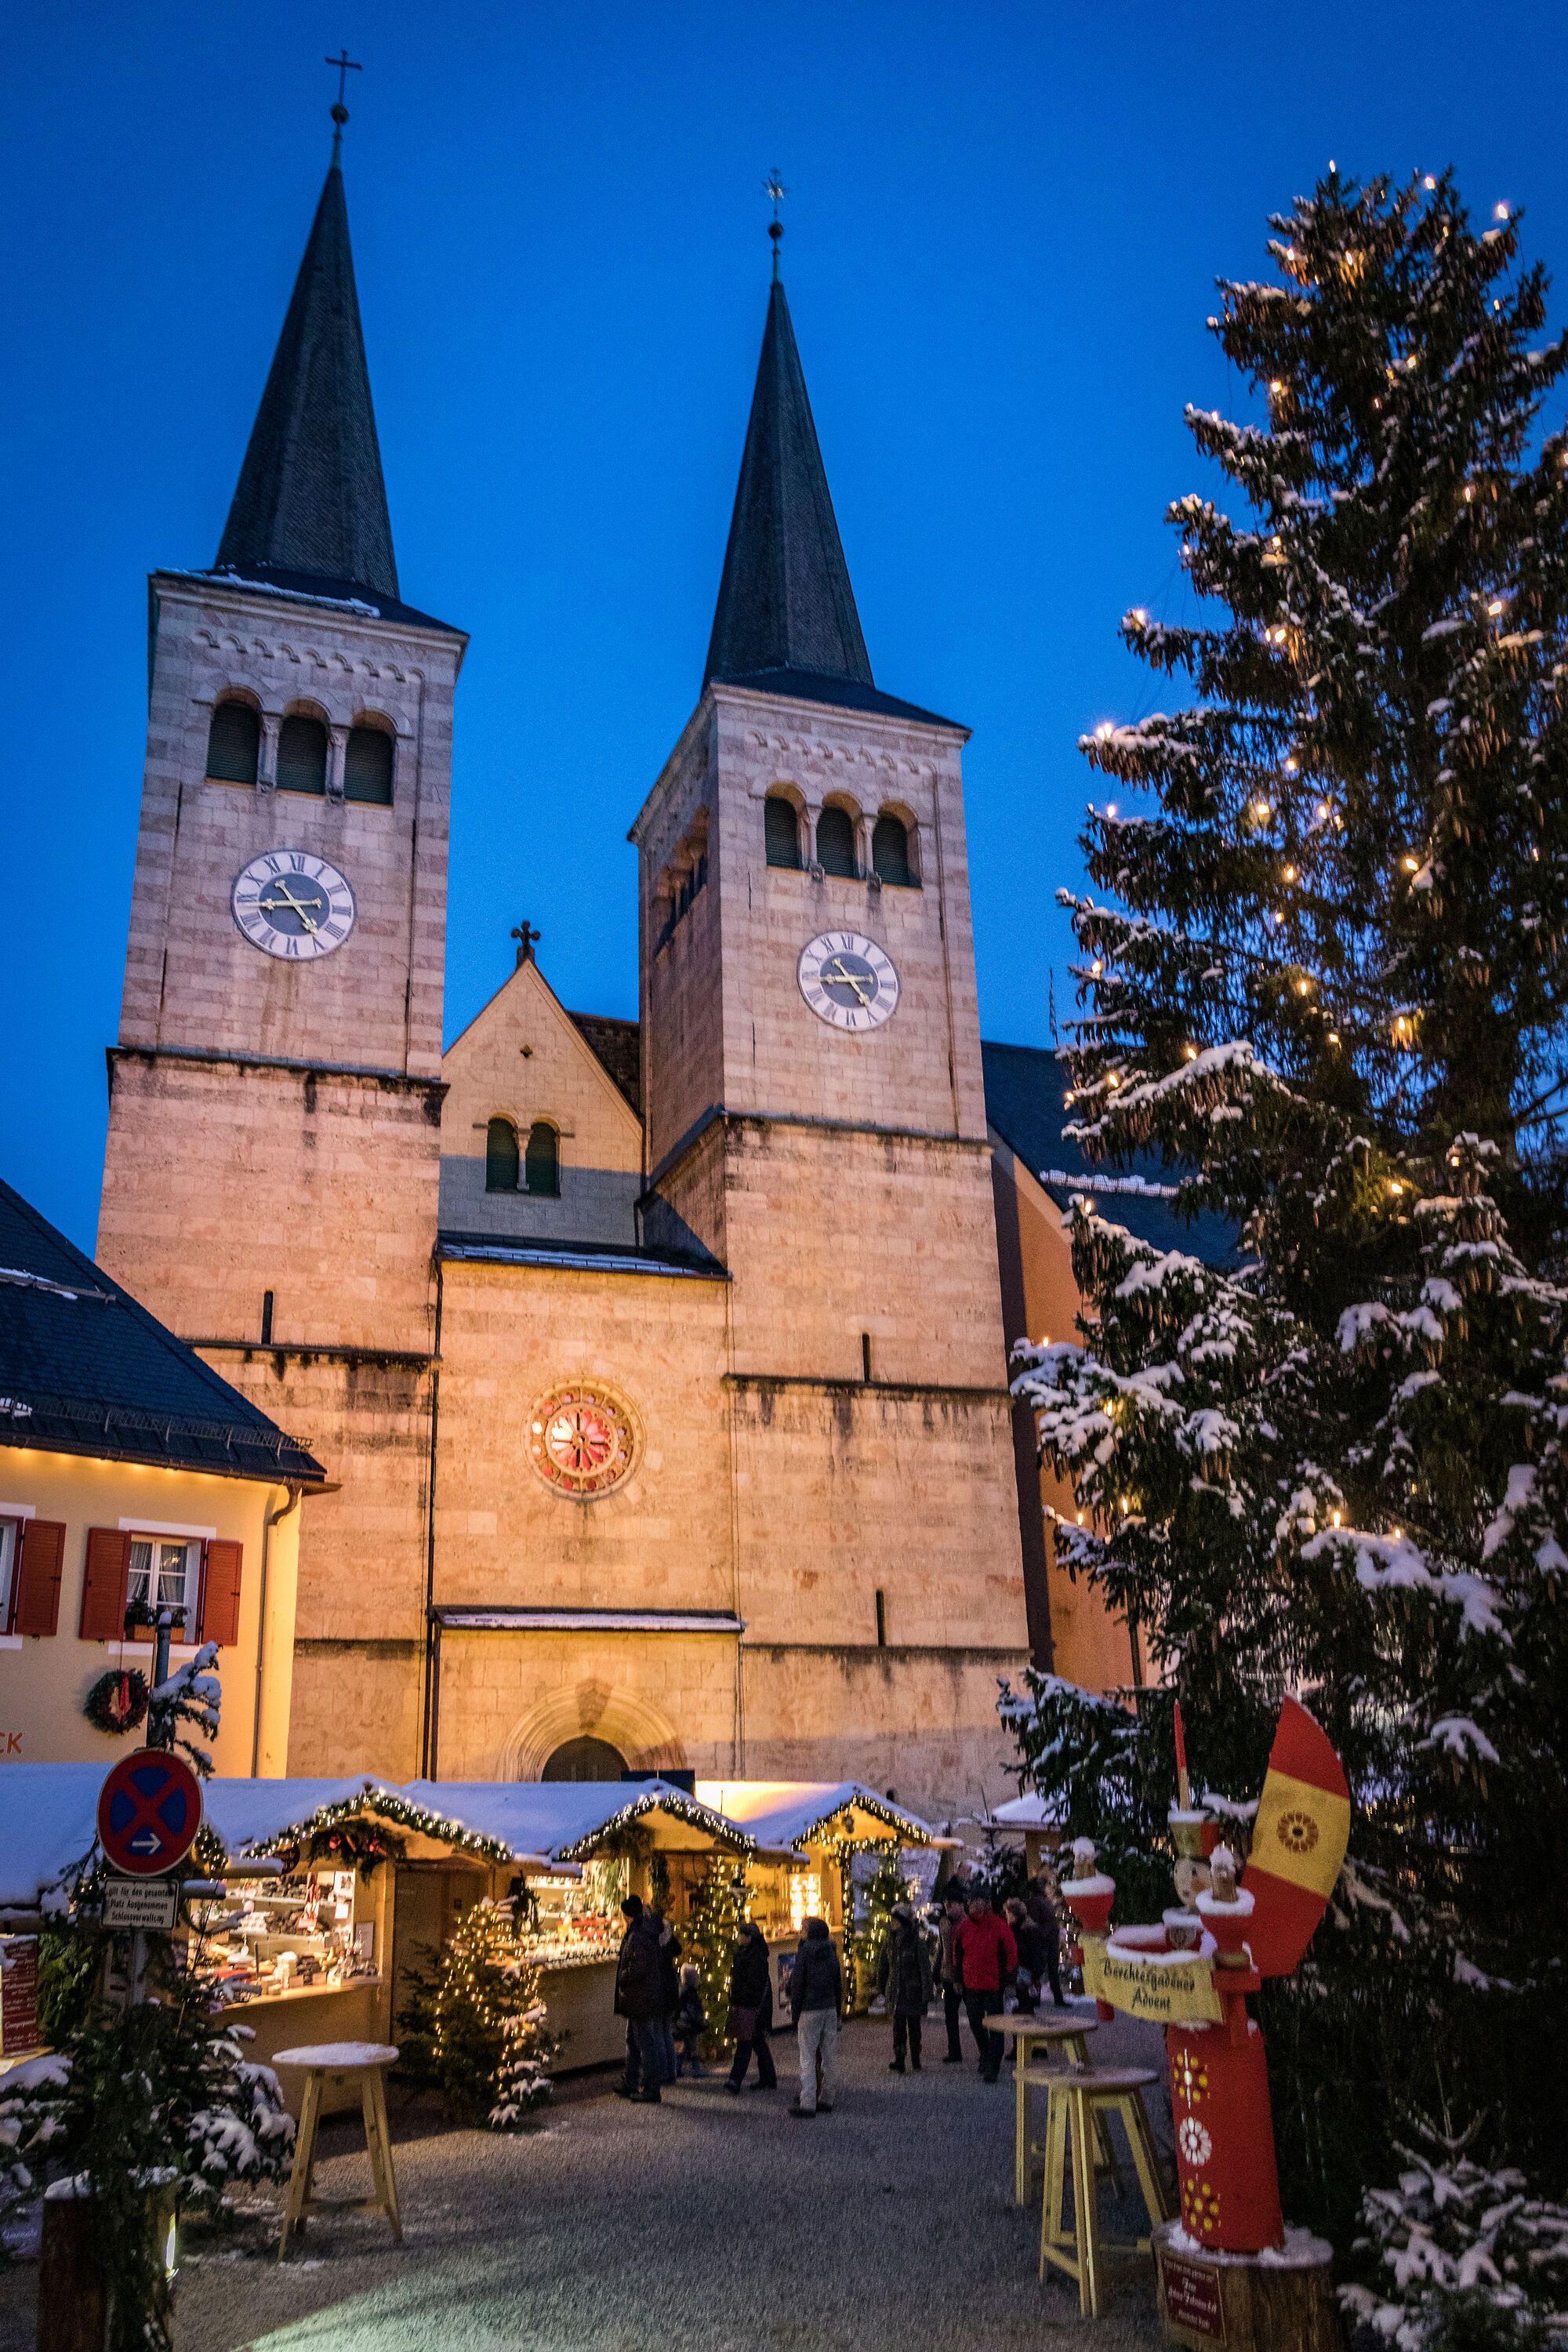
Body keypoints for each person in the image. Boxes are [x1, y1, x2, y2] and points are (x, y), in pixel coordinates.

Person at [953, 1889, 1016, 2082]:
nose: (972, 1904)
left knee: (995, 2026)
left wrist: (1007, 1978)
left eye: (976, 1901)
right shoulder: (964, 1927)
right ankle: (986, 2054)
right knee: (975, 2022)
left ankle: (993, 2066)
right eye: (971, 1901)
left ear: (987, 1903)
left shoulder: (999, 1925)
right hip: (971, 1984)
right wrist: (958, 1978)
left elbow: (1011, 1952)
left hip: (993, 1984)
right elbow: (958, 1953)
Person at [612, 1894, 667, 2103]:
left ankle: (651, 2088)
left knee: (644, 2043)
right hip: (642, 1997)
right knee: (635, 2041)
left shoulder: (638, 1936)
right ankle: (632, 2081)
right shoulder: (643, 1932)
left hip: (641, 1997)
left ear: (628, 1915)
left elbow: (638, 1967)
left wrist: (623, 1976)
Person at [788, 1915, 843, 2118]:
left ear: (809, 1933)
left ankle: (808, 2101)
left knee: (808, 2057)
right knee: (828, 2056)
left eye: (803, 1929)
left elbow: (797, 1985)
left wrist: (795, 2014)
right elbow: (838, 1984)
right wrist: (838, 2011)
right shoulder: (831, 1953)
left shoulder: (804, 1954)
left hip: (809, 2009)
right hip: (829, 2007)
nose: (800, 1932)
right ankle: (827, 2097)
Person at [877, 1900, 934, 2072]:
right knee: (898, 2027)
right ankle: (900, 2058)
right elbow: (884, 1966)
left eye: (895, 1920)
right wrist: (882, 1987)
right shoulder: (890, 1942)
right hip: (896, 1991)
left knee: (914, 2027)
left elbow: (925, 1970)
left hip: (912, 1992)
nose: (891, 1923)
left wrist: (926, 1994)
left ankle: (916, 2057)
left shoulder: (917, 1943)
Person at [725, 1919, 778, 2094]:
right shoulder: (752, 1954)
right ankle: (768, 2078)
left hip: (751, 2007)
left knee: (744, 2043)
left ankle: (735, 2080)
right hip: (753, 2006)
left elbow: (752, 1985)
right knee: (757, 2042)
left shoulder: (754, 1957)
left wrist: (739, 2000)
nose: (738, 1937)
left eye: (740, 1934)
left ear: (748, 1937)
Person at [1024, 1872, 1065, 2007]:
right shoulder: (1036, 1902)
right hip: (1044, 1941)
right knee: (1040, 1970)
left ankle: (1054, 1998)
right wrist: (1044, 1934)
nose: (1047, 1888)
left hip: (1048, 1940)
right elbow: (1033, 1923)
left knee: (1047, 1970)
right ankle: (1036, 1999)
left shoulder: (1041, 1901)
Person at [935, 1895, 967, 2063]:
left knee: (975, 2016)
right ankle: (954, 2051)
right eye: (946, 1905)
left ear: (961, 1905)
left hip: (966, 1976)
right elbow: (942, 1948)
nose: (948, 1908)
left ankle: (986, 2051)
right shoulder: (945, 1924)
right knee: (950, 2016)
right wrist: (937, 1969)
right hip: (948, 1974)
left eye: (951, 1904)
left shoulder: (967, 1924)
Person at [652, 1907, 682, 2086]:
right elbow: (678, 1949)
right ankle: (671, 2072)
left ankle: (663, 2073)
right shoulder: (669, 1942)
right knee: (667, 2031)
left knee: (659, 2032)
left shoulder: (655, 1944)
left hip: (660, 1989)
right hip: (671, 1987)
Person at [1006, 1896, 1048, 2013]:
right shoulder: (1016, 1929)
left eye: (1008, 1914)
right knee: (1023, 2001)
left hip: (1028, 1971)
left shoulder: (1028, 1930)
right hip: (1022, 1970)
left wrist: (1036, 1974)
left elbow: (1036, 1953)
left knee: (1026, 2001)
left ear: (1014, 1915)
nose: (1007, 1917)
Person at [673, 1962, 706, 2078]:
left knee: (683, 2048)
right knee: (693, 2048)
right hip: (691, 2025)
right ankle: (696, 2070)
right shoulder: (692, 1994)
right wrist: (699, 2022)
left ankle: (677, 2068)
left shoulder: (681, 1990)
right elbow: (693, 2011)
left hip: (682, 2024)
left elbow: (677, 2008)